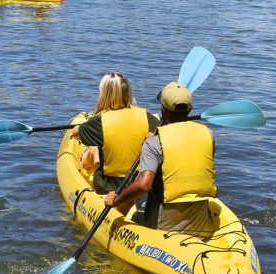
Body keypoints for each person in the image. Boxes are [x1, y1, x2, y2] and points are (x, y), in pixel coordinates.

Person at [103, 81, 218, 236]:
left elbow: (143, 186)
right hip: (201, 223)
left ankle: (116, 215)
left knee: (135, 180)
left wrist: (116, 199)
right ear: (190, 109)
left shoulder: (153, 144)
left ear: (163, 109)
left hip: (164, 227)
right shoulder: (208, 135)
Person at [72, 72, 159, 194]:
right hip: (144, 181)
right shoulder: (147, 117)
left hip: (109, 185)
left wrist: (84, 124)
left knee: (95, 149)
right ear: (128, 93)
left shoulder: (99, 121)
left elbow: (75, 132)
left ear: (104, 94)